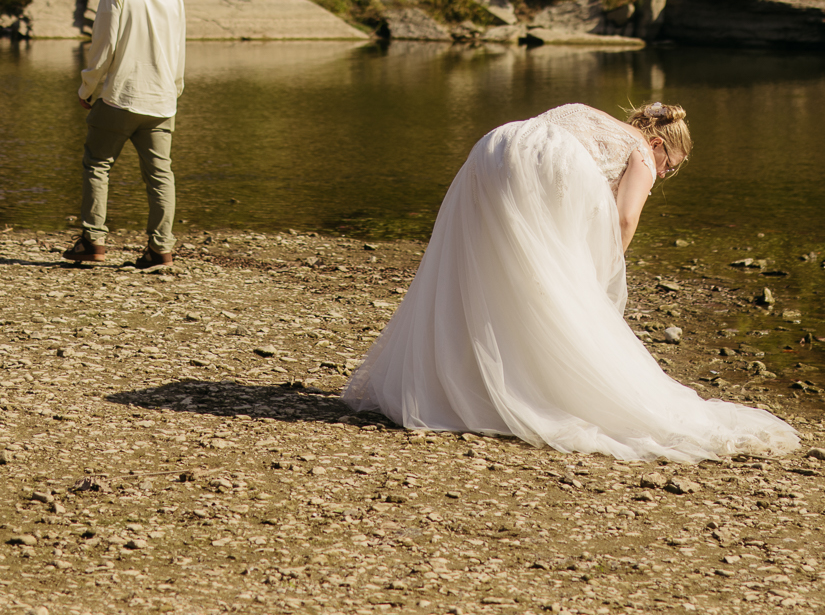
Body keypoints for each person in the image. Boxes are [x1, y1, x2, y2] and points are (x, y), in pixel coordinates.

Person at [342, 102, 799, 461]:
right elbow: (624, 219)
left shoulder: (596, 121)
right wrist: (595, 282)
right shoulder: (640, 151)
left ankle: (461, 381)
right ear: (658, 144)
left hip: (496, 144)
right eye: (670, 166)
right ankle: (518, 385)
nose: (664, 175)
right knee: (550, 282)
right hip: (548, 160)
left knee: (489, 268)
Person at [63, 0, 187, 270]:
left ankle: (93, 241)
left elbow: (103, 45)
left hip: (121, 96)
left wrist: (88, 88)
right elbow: (179, 50)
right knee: (161, 175)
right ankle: (161, 249)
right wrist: (174, 90)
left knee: (97, 165)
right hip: (162, 99)